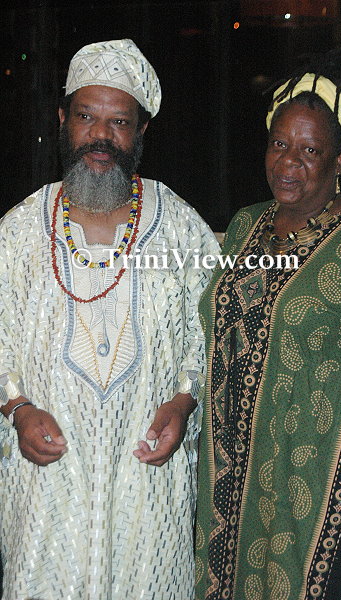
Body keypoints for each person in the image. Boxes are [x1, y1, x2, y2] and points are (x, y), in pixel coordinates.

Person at [0, 39, 219, 600]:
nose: (101, 136)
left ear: (141, 130)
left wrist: (184, 401)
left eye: (119, 121)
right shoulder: (20, 231)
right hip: (47, 489)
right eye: (86, 117)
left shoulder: (180, 228)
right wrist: (18, 409)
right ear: (62, 120)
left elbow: (213, 333)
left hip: (148, 483)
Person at [195, 46, 341, 600]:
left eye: (310, 150)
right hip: (230, 488)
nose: (288, 163)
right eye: (279, 144)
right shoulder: (245, 227)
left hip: (320, 493)